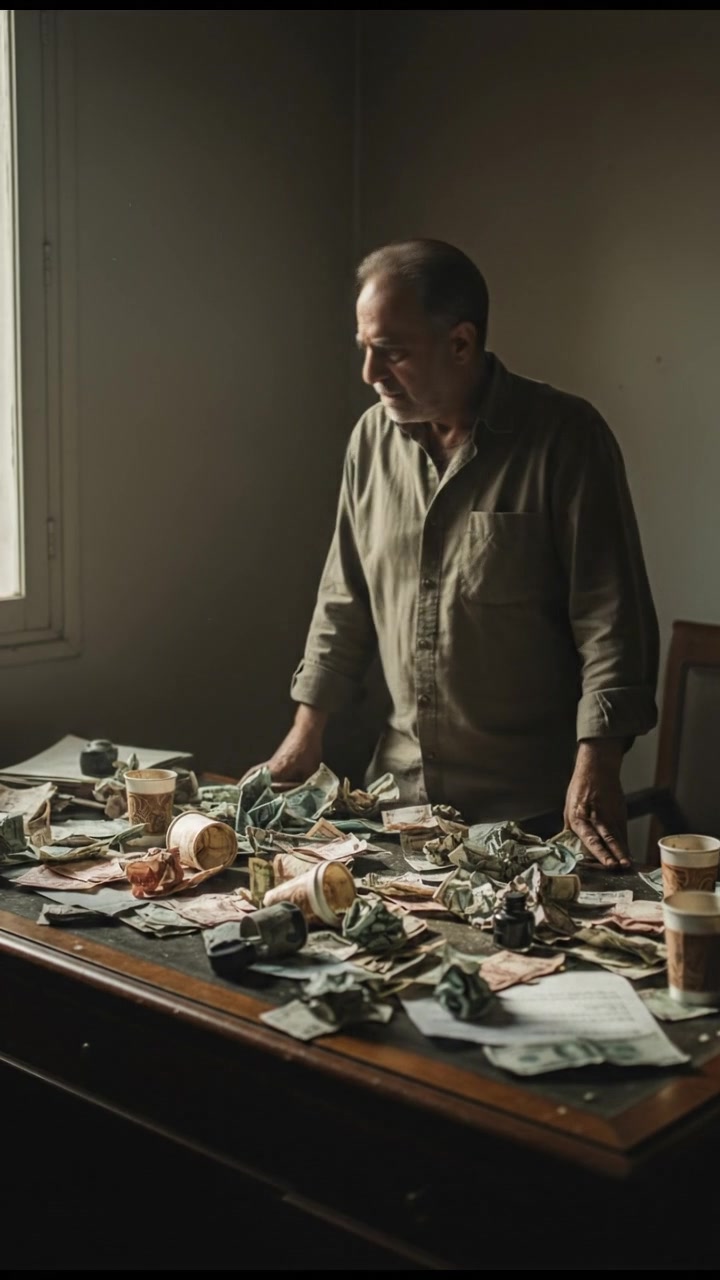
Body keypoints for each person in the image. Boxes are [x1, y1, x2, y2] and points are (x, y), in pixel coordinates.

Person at [254, 238, 659, 869]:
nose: (369, 373)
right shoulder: (370, 440)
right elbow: (345, 600)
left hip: (536, 813)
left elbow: (611, 623)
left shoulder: (566, 439)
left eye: (391, 352)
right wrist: (306, 734)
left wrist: (599, 764)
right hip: (399, 805)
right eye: (364, 349)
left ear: (462, 343)